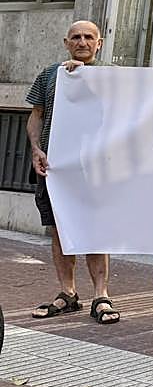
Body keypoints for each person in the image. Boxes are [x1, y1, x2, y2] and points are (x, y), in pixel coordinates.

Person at [26, 20, 120, 325]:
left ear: (99, 43)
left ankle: (101, 295)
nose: (82, 42)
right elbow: (36, 115)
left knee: (95, 231)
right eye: (76, 37)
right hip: (56, 168)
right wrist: (35, 149)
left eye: (89, 37)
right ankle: (67, 293)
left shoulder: (112, 76)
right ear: (66, 43)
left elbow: (135, 107)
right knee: (59, 230)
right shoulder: (50, 74)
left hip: (95, 168)